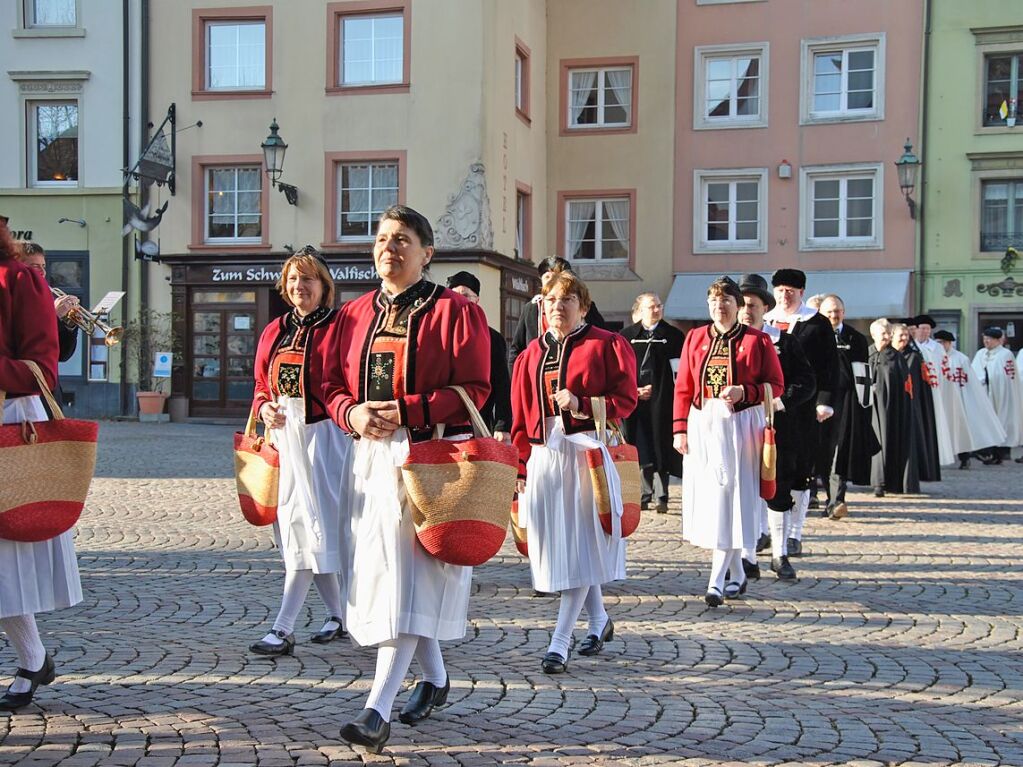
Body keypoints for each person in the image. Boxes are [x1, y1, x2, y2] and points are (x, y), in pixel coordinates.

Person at [322, 205, 490, 754]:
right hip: (369, 459)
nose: (389, 248)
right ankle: (437, 679)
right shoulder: (352, 314)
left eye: (402, 240)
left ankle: (377, 710)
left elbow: (477, 388)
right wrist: (351, 413)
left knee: (408, 579)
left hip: (429, 456)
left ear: (427, 254)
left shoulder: (454, 312)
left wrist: (409, 408)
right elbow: (327, 382)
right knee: (387, 574)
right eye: (382, 239)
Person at [511, 271, 637, 674]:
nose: (557, 308)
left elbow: (626, 399)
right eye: (550, 301)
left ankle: (559, 641)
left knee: (580, 547)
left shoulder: (607, 344)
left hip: (587, 456)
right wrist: (519, 465)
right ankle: (599, 621)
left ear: (583, 306)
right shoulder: (530, 355)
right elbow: (518, 417)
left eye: (567, 300)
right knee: (562, 547)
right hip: (544, 456)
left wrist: (583, 403)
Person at [248, 248, 351, 657]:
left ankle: (283, 627)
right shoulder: (274, 330)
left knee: (316, 528)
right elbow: (260, 384)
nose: (298, 287)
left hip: (327, 439)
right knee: (299, 529)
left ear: (324, 285)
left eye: (307, 279)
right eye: (292, 279)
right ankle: (339, 615)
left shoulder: (340, 328)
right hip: (286, 440)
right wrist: (264, 407)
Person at [0, 219, 80, 711]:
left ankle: (33, 659)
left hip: (10, 423)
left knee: (5, 557)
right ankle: (34, 658)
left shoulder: (19, 278)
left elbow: (41, 370)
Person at [673, 276, 784, 606]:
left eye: (726, 301)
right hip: (703, 422)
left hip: (741, 425)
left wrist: (744, 392)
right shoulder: (694, 337)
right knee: (715, 501)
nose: (719, 307)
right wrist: (680, 429)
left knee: (731, 498)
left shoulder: (757, 341)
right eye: (713, 301)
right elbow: (684, 386)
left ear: (738, 306)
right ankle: (737, 573)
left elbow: (775, 385)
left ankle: (716, 581)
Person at [737, 274, 815, 581]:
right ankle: (747, 555)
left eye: (753, 304)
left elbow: (807, 381)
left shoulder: (783, 340)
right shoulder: (728, 342)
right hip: (739, 427)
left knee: (778, 487)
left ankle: (780, 554)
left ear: (765, 307)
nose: (747, 310)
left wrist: (782, 400)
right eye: (742, 304)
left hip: (777, 426)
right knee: (745, 490)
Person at [764, 269, 837, 556]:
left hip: (803, 409)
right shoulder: (764, 322)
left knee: (798, 471)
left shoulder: (816, 324)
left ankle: (794, 532)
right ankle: (764, 531)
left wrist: (825, 401)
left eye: (791, 290)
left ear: (801, 292)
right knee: (767, 470)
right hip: (767, 409)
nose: (785, 294)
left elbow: (830, 367)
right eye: (780, 289)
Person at [816, 295, 879, 519]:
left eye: (838, 311)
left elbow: (862, 375)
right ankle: (824, 498)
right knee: (821, 452)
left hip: (846, 404)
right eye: (830, 311)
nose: (834, 315)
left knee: (839, 453)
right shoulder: (813, 335)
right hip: (818, 403)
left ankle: (837, 500)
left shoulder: (857, 338)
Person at [620, 292, 683, 513]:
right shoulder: (626, 336)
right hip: (635, 403)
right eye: (651, 307)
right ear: (640, 309)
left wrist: (660, 389)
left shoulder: (674, 336)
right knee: (641, 446)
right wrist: (634, 391)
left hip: (663, 403)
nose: (656, 310)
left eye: (659, 306)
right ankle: (643, 494)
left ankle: (662, 496)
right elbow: (621, 372)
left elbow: (680, 372)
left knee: (661, 446)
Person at [445, 270, 512, 441]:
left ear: (477, 300)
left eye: (466, 295)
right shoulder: (438, 334)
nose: (460, 300)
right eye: (455, 295)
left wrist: (502, 425)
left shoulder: (493, 338)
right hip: (442, 420)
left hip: (478, 418)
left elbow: (502, 384)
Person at [509, 256, 606, 364]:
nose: (557, 307)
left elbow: (602, 337)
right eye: (547, 277)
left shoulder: (582, 304)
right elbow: (516, 350)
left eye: (558, 277)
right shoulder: (532, 308)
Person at [932, 330, 1006, 468]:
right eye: (938, 343)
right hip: (941, 398)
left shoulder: (961, 359)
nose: (940, 345)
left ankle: (964, 458)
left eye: (943, 342)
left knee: (960, 430)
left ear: (949, 343)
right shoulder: (933, 357)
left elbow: (969, 381)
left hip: (958, 399)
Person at [869, 319, 919, 495]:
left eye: (888, 333)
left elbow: (905, 385)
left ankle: (884, 482)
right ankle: (873, 480)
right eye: (883, 333)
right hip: (869, 408)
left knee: (888, 442)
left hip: (891, 409)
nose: (887, 336)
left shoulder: (896, 357)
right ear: (873, 334)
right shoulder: (867, 354)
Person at [892, 322, 941, 482]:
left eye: (907, 335)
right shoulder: (886, 355)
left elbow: (921, 387)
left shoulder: (914, 357)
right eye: (901, 335)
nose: (904, 339)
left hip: (911, 406)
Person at [16, 241, 79, 363]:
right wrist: (54, 317)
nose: (42, 272)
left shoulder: (44, 299)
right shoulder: (9, 300)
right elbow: (27, 347)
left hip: (48, 379)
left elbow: (63, 355)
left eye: (43, 266)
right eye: (35, 266)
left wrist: (68, 324)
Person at [971, 327, 1021, 465]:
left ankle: (997, 454)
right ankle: (984, 451)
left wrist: (991, 379)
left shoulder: (1005, 355)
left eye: (990, 339)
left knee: (999, 422)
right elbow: (974, 371)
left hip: (999, 394)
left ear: (999, 341)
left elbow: (1008, 377)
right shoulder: (981, 353)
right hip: (983, 393)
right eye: (984, 338)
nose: (986, 341)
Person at [913, 315, 956, 467]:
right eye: (922, 328)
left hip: (934, 391)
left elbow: (945, 370)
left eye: (927, 329)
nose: (924, 332)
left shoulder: (937, 348)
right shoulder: (911, 346)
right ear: (916, 330)